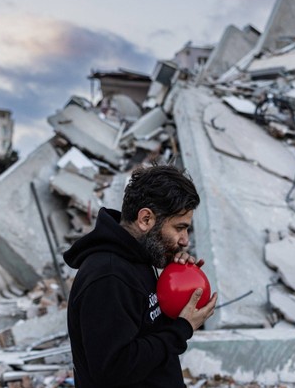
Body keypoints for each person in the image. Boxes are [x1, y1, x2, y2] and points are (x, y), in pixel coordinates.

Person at [64, 164, 218, 387]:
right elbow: (113, 370)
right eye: (179, 228)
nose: (185, 240)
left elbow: (146, 330)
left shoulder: (139, 259)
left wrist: (178, 289)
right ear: (146, 219)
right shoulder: (108, 276)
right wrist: (180, 331)